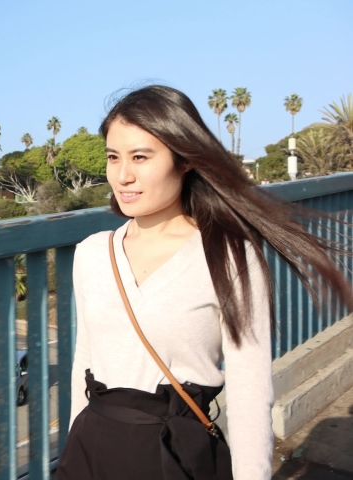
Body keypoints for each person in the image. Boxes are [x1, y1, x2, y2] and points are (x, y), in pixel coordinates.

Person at [57, 85, 352, 480]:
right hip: (91, 453)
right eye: (114, 157)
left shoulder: (229, 256)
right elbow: (86, 363)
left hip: (176, 456)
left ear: (184, 161)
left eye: (141, 157)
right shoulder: (92, 252)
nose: (123, 175)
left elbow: (249, 395)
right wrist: (74, 449)